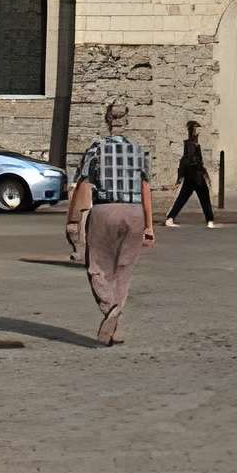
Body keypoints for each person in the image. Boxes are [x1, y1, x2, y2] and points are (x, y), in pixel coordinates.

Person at [66, 99, 157, 344]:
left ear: (107, 121)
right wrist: (149, 226)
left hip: (104, 211)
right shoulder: (139, 150)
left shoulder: (96, 148)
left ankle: (110, 309)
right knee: (124, 270)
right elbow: (145, 189)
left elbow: (83, 184)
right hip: (135, 212)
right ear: (127, 121)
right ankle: (114, 325)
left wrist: (74, 220)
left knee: (97, 267)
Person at [167, 120, 216, 227]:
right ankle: (210, 220)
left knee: (182, 198)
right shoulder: (192, 145)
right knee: (204, 197)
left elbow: (190, 160)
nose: (198, 132)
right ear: (193, 131)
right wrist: (203, 174)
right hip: (195, 176)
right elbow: (191, 161)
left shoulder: (192, 144)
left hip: (192, 176)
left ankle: (170, 218)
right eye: (196, 129)